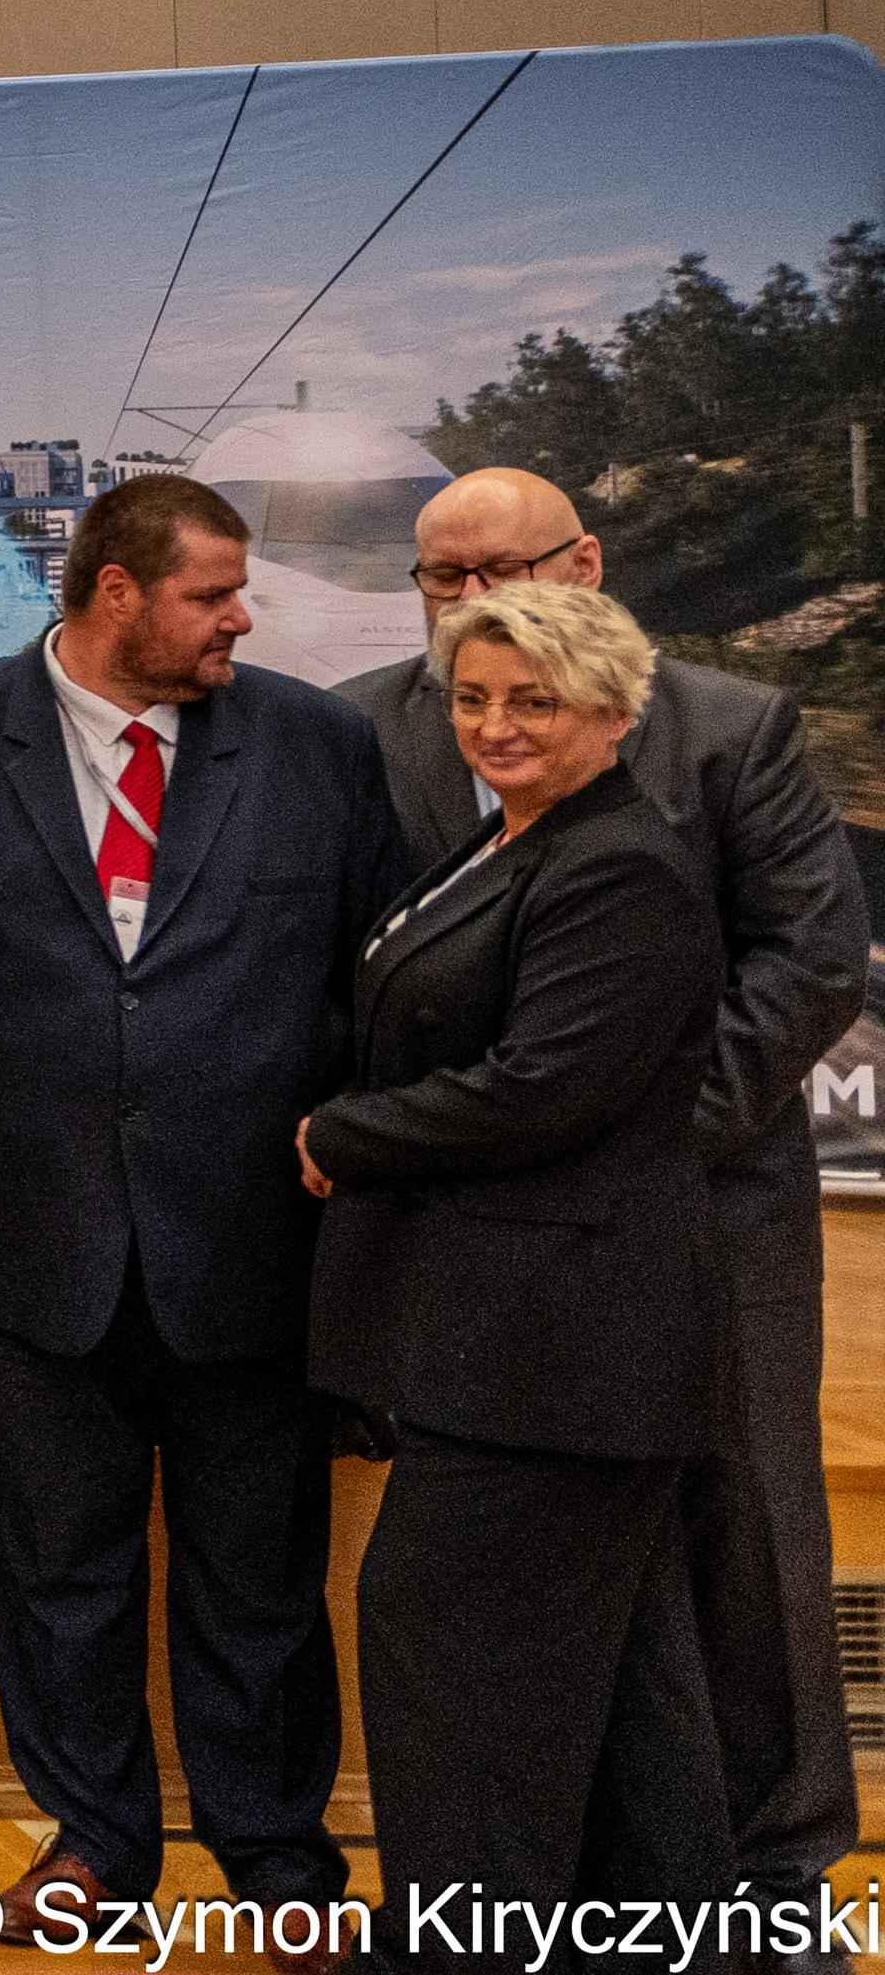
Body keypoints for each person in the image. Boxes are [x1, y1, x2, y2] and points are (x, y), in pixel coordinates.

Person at [0, 474, 404, 1954]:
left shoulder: (317, 744)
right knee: (57, 1563)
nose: (242, 618)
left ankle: (274, 1853)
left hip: (256, 1234)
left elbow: (379, 977)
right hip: (26, 1228)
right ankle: (94, 1837)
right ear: (116, 594)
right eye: (212, 593)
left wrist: (368, 1161)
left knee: (259, 1573)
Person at [336, 467, 861, 1918]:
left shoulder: (728, 726)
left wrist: (623, 1132)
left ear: (587, 563)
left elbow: (810, 961)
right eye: (443, 578)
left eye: (502, 568)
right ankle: (597, 1894)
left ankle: (782, 1877)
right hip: (476, 1235)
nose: (471, 601)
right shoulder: (363, 728)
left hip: (704, 1203)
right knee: (555, 1590)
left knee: (746, 1533)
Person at [302, 579, 734, 1961]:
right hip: (526, 1347)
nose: (496, 725)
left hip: (558, 1356)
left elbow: (542, 1088)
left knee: (453, 1653)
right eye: (475, 698)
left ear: (612, 709)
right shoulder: (507, 842)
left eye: (533, 701)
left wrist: (340, 1134)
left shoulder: (621, 867)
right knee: (626, 1692)